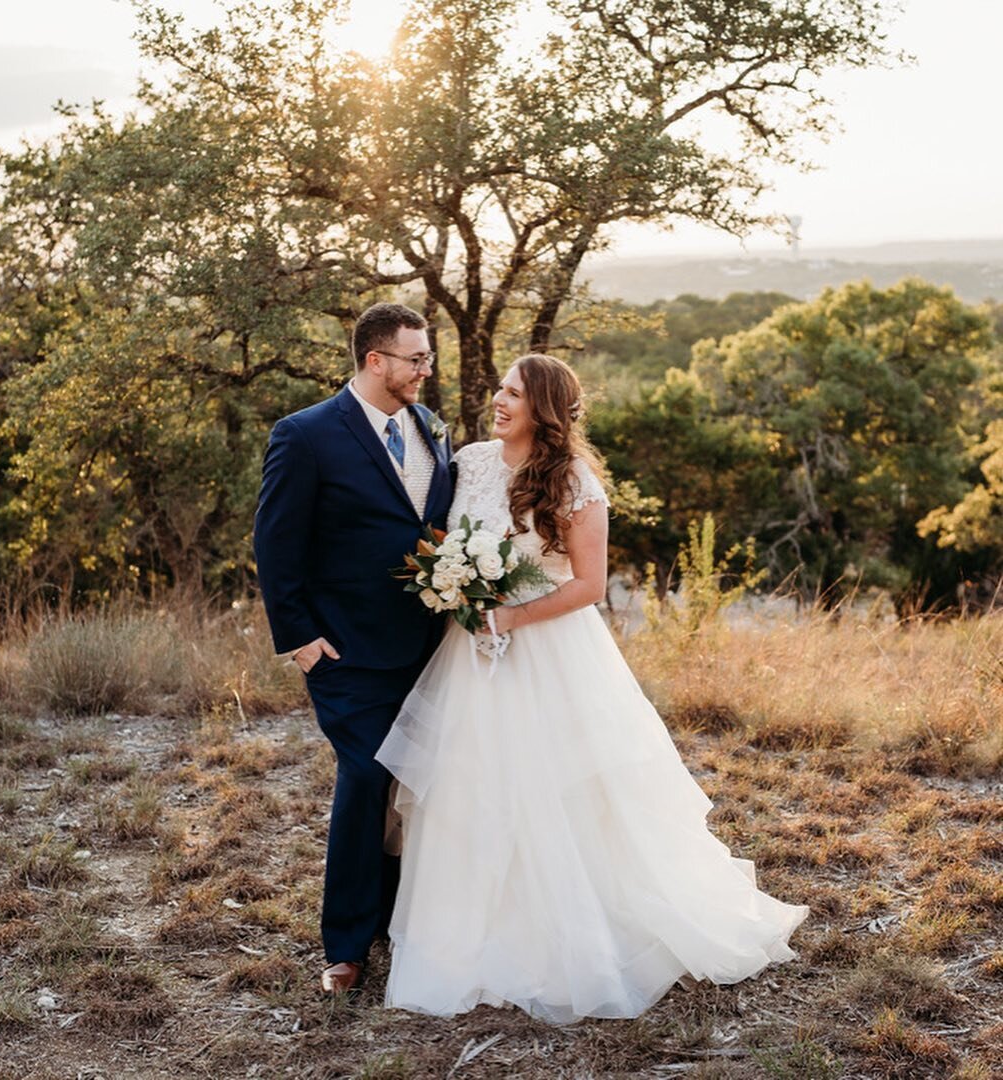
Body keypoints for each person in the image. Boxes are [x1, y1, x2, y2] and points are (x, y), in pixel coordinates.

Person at [375, 353, 808, 1023]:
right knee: (470, 785)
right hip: (469, 654)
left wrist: (507, 614)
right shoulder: (472, 462)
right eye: (501, 388)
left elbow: (588, 585)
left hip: (546, 652)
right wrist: (453, 586)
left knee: (555, 789)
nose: (500, 400)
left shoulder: (575, 482)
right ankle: (466, 930)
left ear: (544, 407)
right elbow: (439, 540)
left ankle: (574, 930)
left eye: (515, 393)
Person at [253, 302, 454, 995]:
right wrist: (302, 642)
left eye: (428, 357)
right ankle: (346, 944)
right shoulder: (305, 435)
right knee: (368, 778)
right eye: (416, 359)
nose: (427, 369)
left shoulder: (431, 428)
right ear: (376, 361)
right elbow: (275, 545)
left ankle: (401, 920)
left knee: (415, 785)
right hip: (345, 653)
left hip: (430, 646)